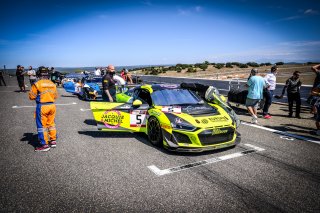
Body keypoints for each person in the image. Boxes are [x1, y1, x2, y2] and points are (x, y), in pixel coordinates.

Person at [29, 66, 58, 152]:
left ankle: (44, 144)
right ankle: (53, 140)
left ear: (39, 74)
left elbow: (31, 96)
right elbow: (55, 96)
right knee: (51, 124)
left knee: (42, 126)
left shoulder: (37, 84)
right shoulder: (52, 84)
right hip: (52, 106)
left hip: (42, 106)